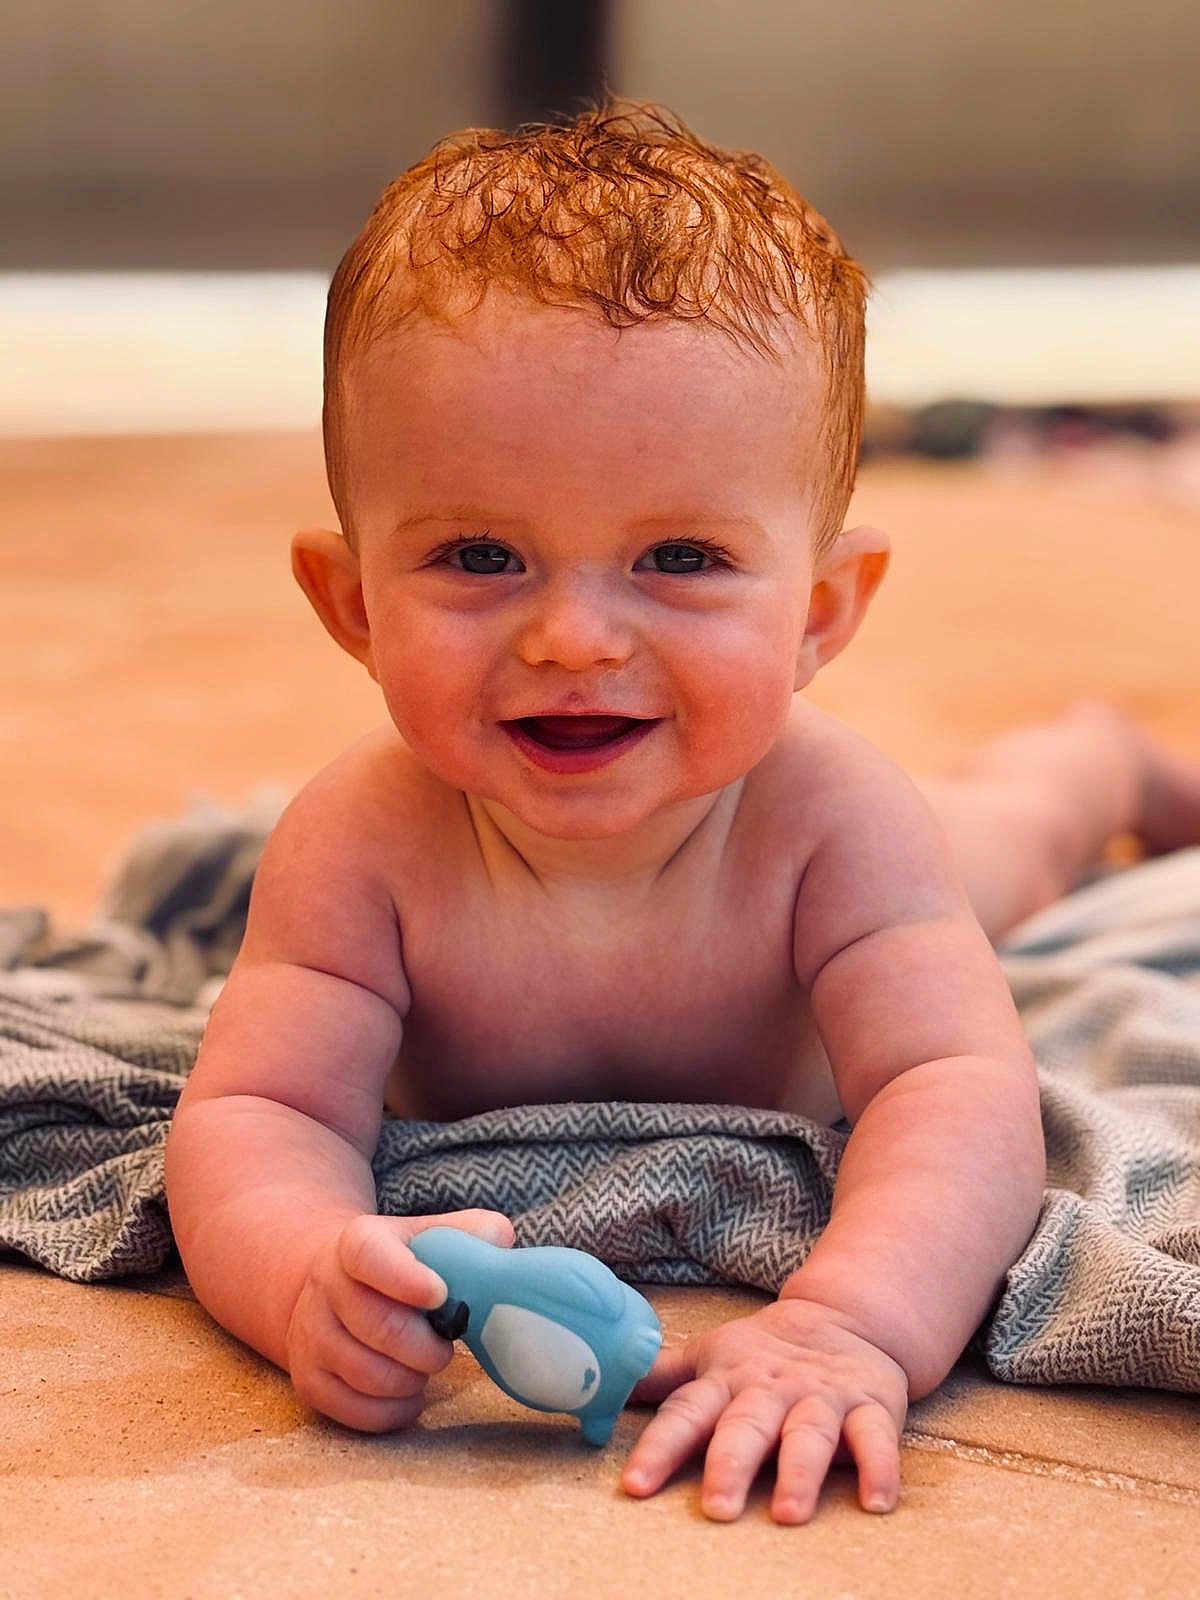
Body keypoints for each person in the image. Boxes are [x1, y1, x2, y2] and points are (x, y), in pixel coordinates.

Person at [163, 97, 1200, 1526]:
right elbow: (260, 1109)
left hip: (856, 858)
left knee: (1009, 840)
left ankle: (1106, 764)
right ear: (350, 601)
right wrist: (301, 1273)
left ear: (821, 611)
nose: (576, 639)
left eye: (679, 557)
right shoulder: (361, 842)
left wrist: (854, 1320)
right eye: (480, 556)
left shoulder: (838, 822)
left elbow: (953, 1089)